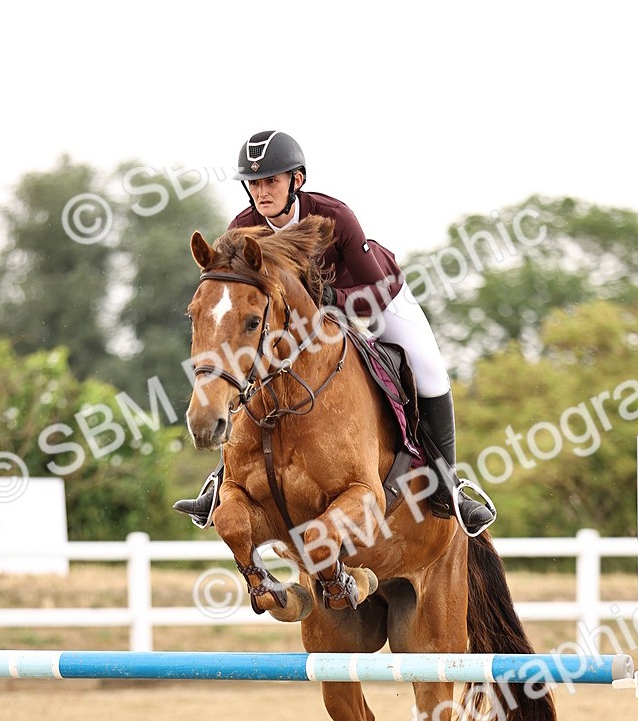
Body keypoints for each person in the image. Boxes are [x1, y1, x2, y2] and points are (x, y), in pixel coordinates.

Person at [174, 129, 496, 536]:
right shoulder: (243, 228)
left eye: (271, 181)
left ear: (297, 180)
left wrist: (328, 297)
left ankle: (449, 486)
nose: (262, 192)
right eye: (254, 183)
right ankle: (222, 480)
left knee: (428, 369)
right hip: (304, 321)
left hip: (375, 296)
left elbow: (374, 295)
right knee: (249, 371)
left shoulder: (334, 217)